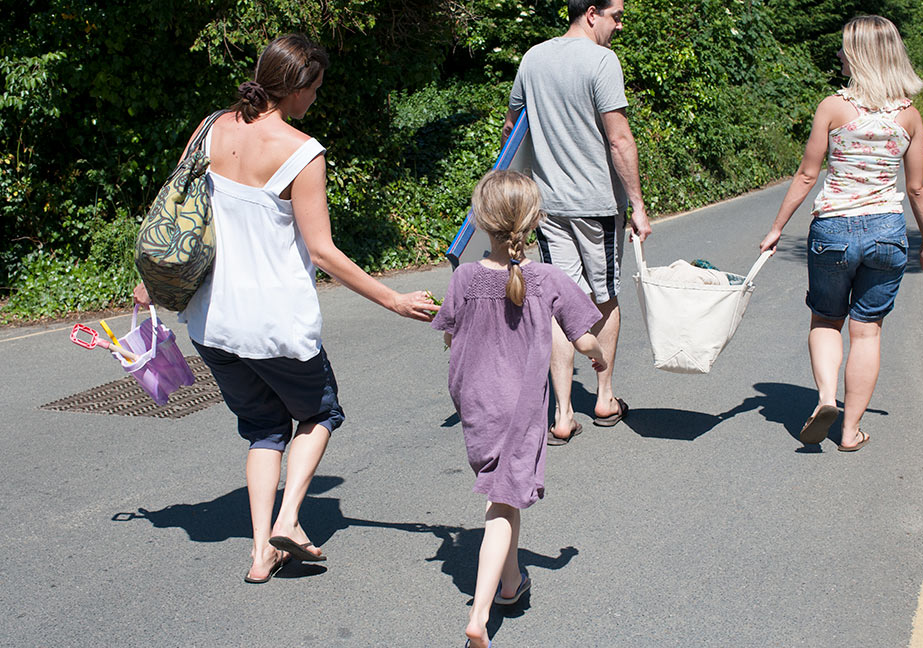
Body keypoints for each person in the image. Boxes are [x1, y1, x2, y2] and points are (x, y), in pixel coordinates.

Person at [134, 34, 435, 583]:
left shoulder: (211, 128)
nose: (315, 100)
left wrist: (151, 283)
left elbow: (175, 210)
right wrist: (393, 299)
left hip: (211, 322)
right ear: (296, 88)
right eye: (315, 90)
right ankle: (290, 519)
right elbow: (322, 251)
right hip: (274, 325)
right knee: (320, 412)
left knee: (262, 430)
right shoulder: (302, 152)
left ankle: (259, 554)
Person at [431, 170, 606, 647]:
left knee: (500, 495)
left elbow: (450, 336)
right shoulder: (547, 277)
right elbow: (583, 334)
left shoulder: (464, 277)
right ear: (534, 221)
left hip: (475, 404)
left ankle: (511, 585)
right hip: (521, 407)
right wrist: (597, 356)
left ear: (482, 219)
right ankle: (480, 613)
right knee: (503, 506)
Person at [758, 16, 923, 451]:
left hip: (834, 228)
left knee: (826, 318)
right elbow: (915, 186)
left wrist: (776, 228)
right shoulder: (909, 116)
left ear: (859, 55)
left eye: (844, 47)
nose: (838, 54)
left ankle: (825, 398)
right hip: (886, 230)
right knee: (867, 330)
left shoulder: (833, 107)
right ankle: (850, 431)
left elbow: (807, 174)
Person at [502, 0, 651, 445]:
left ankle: (563, 414)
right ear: (591, 12)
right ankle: (605, 396)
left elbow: (513, 128)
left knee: (557, 302)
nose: (619, 25)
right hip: (597, 204)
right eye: (616, 16)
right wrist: (638, 204)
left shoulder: (532, 58)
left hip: (547, 207)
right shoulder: (602, 61)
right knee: (603, 296)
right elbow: (619, 137)